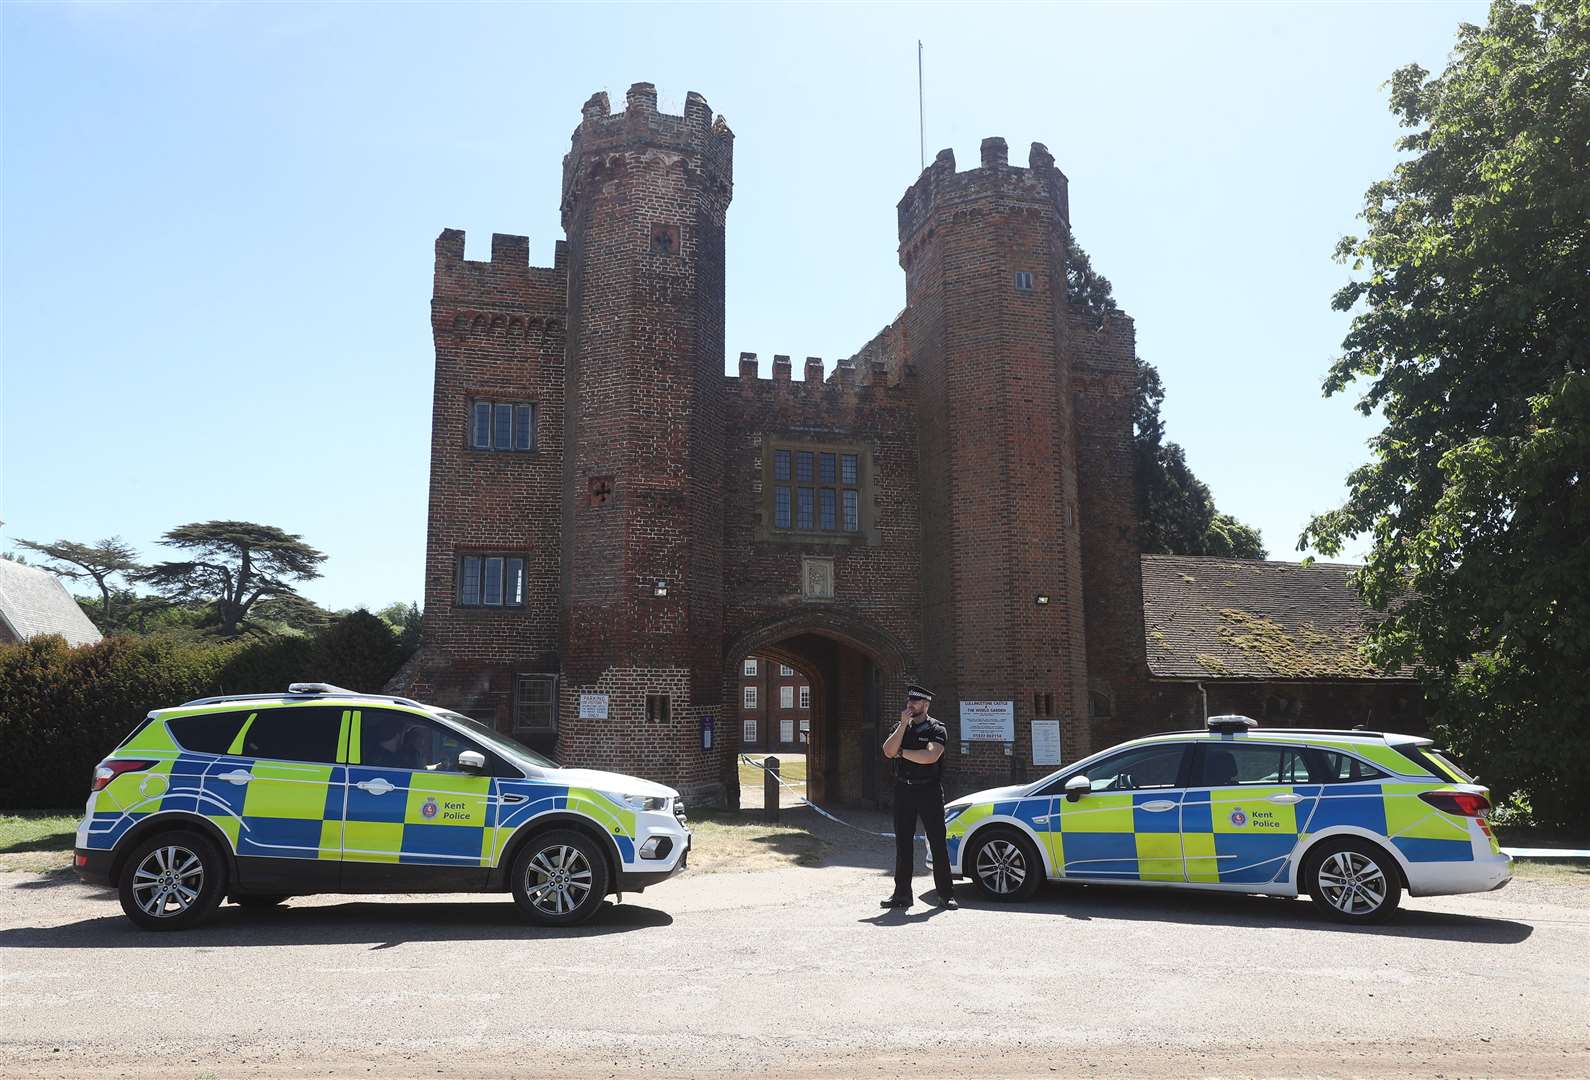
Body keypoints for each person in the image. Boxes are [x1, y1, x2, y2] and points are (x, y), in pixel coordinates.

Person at [880, 684, 956, 909]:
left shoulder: (936, 729)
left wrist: (903, 752)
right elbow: (887, 751)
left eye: (915, 702)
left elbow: (930, 756)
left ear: (925, 704)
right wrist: (903, 725)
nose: (910, 705)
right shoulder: (901, 727)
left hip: (929, 790)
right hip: (904, 790)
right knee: (903, 844)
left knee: (937, 841)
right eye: (908, 701)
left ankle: (946, 894)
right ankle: (902, 895)